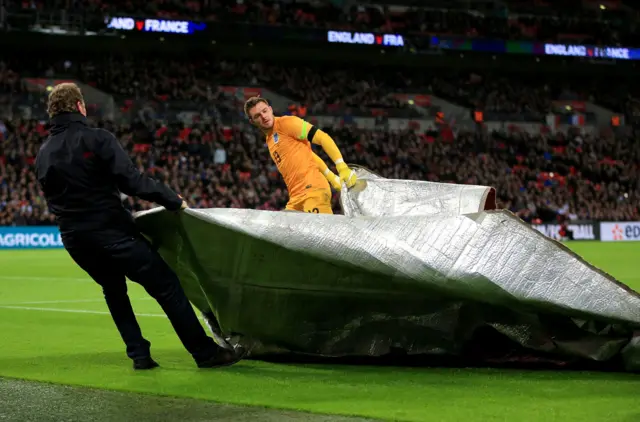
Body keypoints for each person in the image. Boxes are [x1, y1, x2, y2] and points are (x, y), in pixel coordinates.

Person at [35, 83, 242, 370]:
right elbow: (131, 181)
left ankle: (139, 355)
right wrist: (171, 198)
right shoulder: (97, 139)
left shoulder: (43, 153)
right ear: (80, 106)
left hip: (75, 240)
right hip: (111, 232)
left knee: (113, 290)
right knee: (166, 286)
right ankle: (204, 353)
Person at [244, 96, 357, 214]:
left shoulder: (287, 123)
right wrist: (332, 178)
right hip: (295, 198)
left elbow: (322, 137)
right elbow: (310, 155)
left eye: (264, 111)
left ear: (271, 109)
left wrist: (341, 167)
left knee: (320, 231)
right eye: (257, 115)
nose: (263, 116)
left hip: (313, 191)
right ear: (252, 121)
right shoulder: (270, 139)